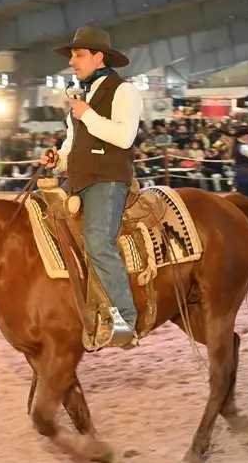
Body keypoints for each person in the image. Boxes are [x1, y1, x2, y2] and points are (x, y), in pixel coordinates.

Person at [39, 26, 143, 350]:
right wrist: (58, 160)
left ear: (99, 57)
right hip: (79, 180)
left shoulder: (125, 91)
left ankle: (125, 321)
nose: (72, 61)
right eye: (72, 54)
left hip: (109, 180)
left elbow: (125, 138)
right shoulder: (78, 96)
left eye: (79, 54)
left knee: (98, 241)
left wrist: (87, 114)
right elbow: (73, 144)